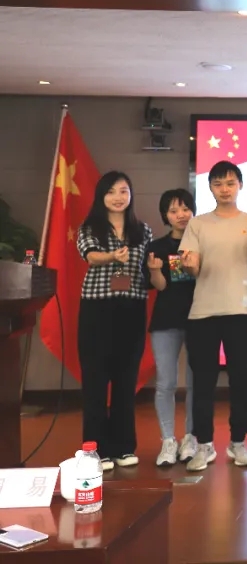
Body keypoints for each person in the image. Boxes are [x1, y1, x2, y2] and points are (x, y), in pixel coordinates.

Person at [180, 161, 247, 471]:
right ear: (210, 188)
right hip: (202, 312)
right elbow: (190, 267)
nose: (225, 189)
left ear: (240, 185)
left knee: (241, 380)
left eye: (230, 183)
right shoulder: (197, 224)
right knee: (203, 382)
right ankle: (204, 445)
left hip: (240, 312)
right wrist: (189, 264)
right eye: (218, 184)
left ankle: (238, 442)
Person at [75, 171, 154, 470]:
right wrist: (111, 257)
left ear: (130, 195)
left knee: (125, 379)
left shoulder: (143, 231)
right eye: (111, 192)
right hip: (97, 309)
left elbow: (147, 270)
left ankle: (123, 447)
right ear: (101, 196)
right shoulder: (90, 227)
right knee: (95, 381)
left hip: (131, 309)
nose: (118, 197)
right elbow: (90, 256)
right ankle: (95, 450)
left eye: (123, 191)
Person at [146, 188, 198, 466]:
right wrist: (155, 270)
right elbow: (161, 286)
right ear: (165, 216)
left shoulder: (203, 242)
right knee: (166, 382)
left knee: (195, 382)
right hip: (166, 320)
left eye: (185, 208)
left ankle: (191, 437)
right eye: (174, 210)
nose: (181, 215)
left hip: (200, 319)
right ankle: (168, 440)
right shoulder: (157, 246)